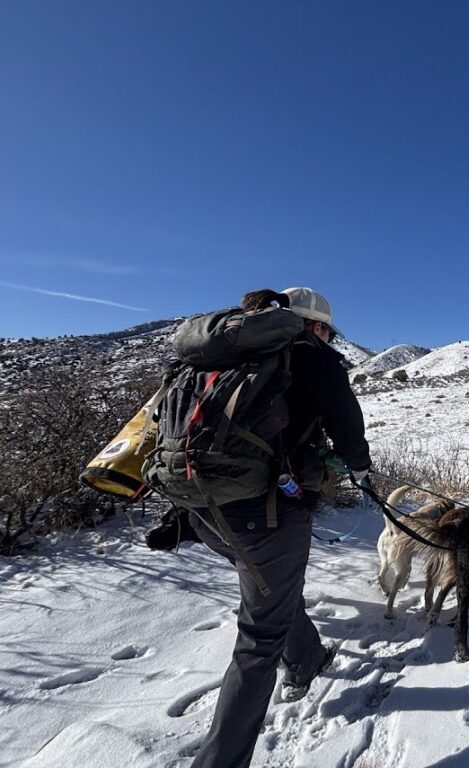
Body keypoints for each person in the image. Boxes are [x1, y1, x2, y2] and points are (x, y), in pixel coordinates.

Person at [189, 287, 371, 768]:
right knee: (258, 640)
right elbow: (351, 437)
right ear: (312, 326)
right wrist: (356, 464)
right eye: (328, 330)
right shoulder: (317, 361)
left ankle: (307, 655)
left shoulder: (219, 354)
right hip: (266, 514)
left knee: (270, 588)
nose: (330, 338)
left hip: (201, 508)